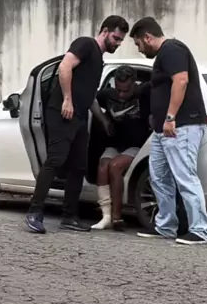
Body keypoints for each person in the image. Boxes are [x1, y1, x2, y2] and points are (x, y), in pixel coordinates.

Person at [25, 16, 130, 234]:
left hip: (80, 117)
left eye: (121, 40)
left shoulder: (99, 61)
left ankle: (69, 216)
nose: (118, 43)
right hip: (62, 113)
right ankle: (34, 212)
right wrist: (67, 99)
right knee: (55, 160)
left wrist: (103, 120)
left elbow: (89, 96)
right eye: (116, 38)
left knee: (79, 166)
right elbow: (65, 67)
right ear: (104, 31)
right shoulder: (85, 44)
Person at [129, 17, 207, 245]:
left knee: (185, 177)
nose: (139, 49)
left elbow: (181, 81)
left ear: (147, 37)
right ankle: (165, 226)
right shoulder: (165, 55)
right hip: (163, 130)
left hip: (180, 126)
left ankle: (199, 229)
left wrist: (170, 117)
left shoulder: (172, 49)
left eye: (138, 44)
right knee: (158, 176)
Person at [90, 65, 151, 231]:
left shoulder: (144, 93)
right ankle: (106, 216)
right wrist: (104, 120)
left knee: (115, 166)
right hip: (117, 143)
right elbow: (90, 98)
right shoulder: (108, 95)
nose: (122, 95)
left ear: (134, 84)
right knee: (103, 166)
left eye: (126, 91)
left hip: (138, 145)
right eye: (119, 90)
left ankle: (117, 217)